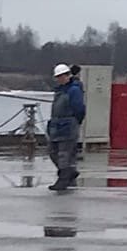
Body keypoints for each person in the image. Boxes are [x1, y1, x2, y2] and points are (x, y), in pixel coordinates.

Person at [46, 63, 86, 191]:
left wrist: (74, 122)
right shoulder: (59, 90)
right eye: (58, 77)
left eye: (61, 76)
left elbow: (79, 108)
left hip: (68, 125)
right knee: (53, 152)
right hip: (56, 126)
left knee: (64, 154)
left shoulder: (74, 90)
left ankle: (63, 179)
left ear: (67, 75)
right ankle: (69, 173)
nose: (59, 79)